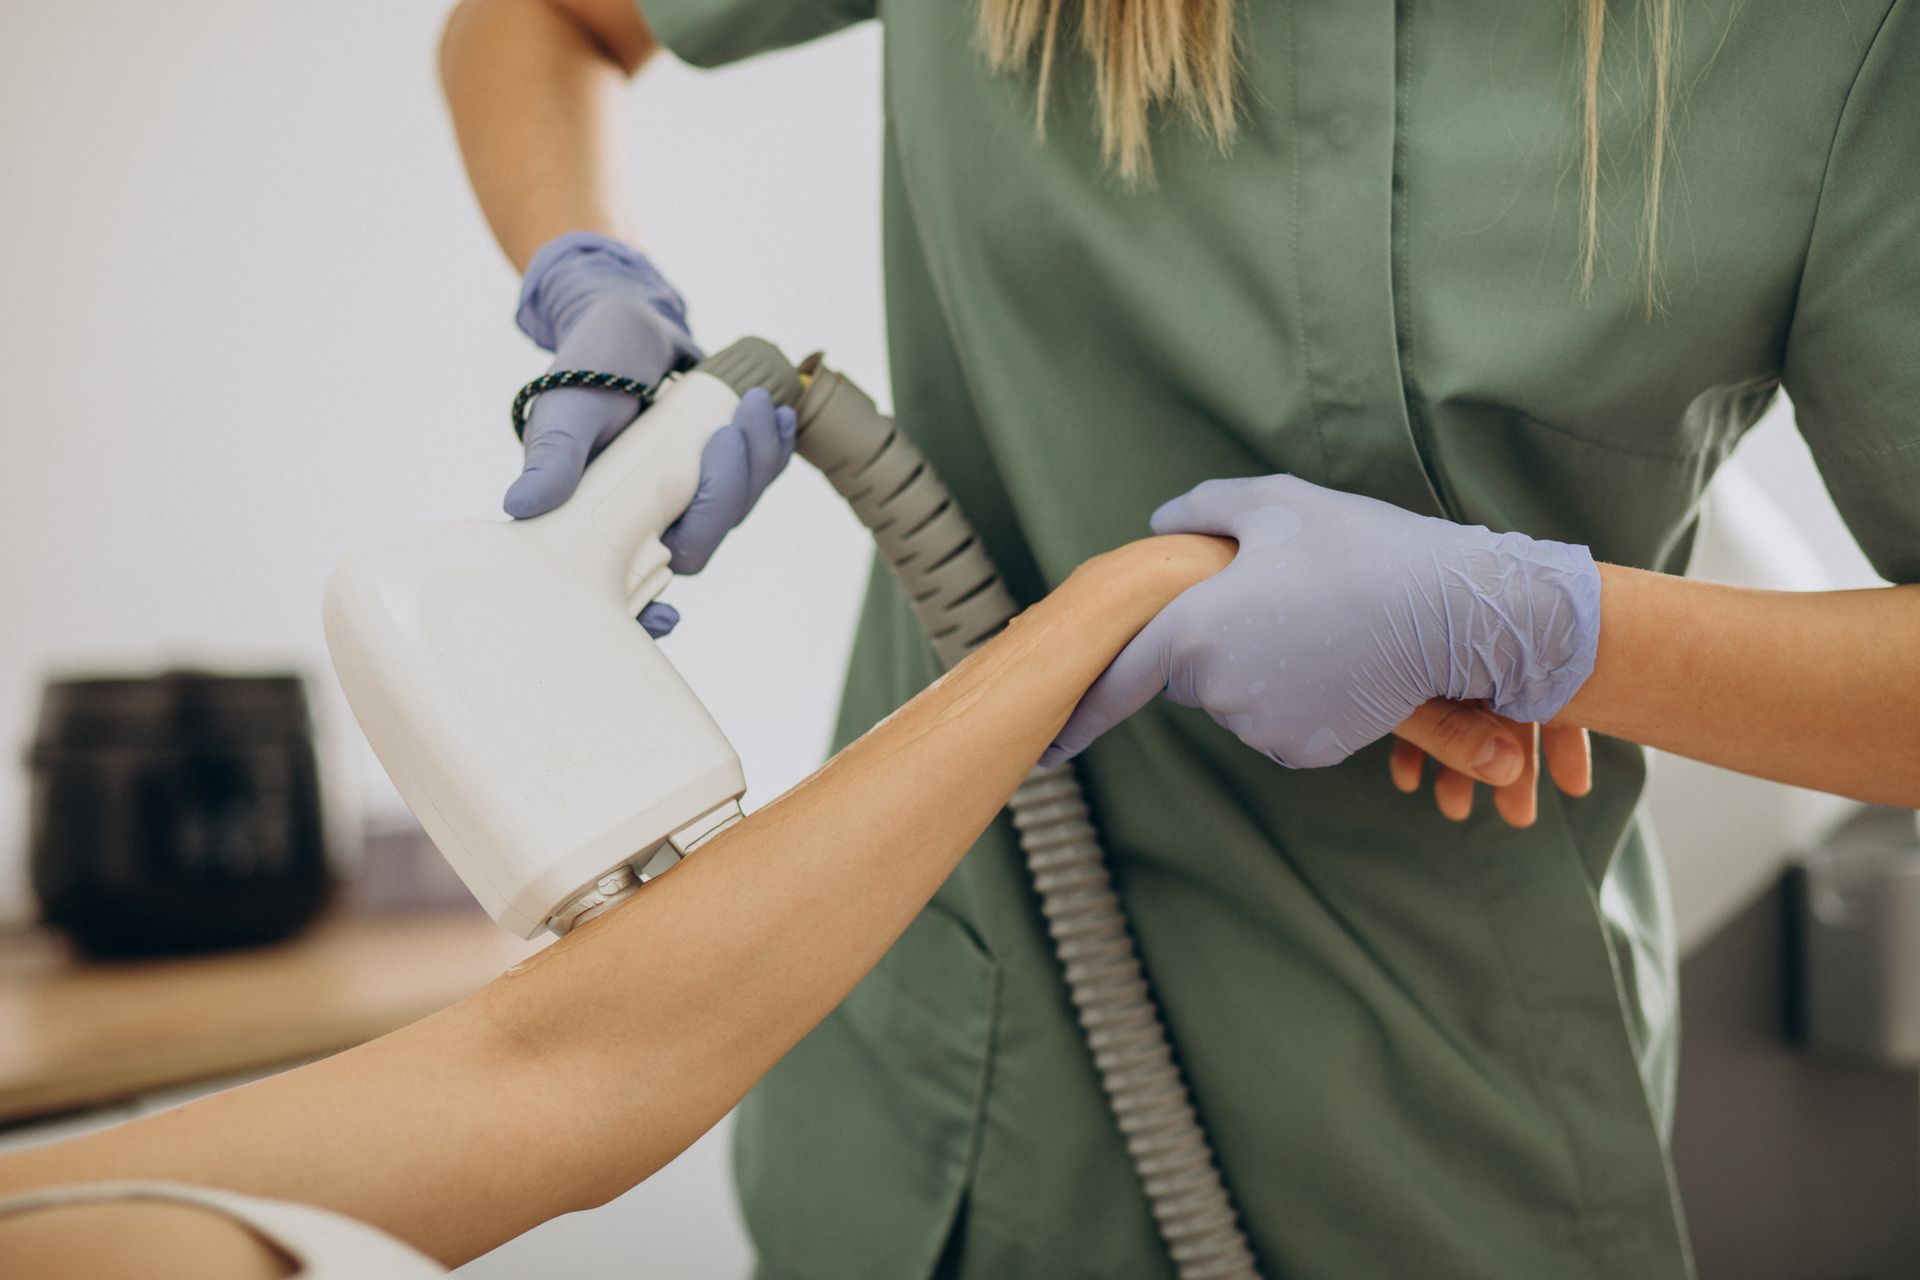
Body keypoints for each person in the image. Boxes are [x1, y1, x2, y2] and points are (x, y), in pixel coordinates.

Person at [433, 0, 1920, 1276]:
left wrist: (1542, 628)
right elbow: (542, 20)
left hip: (1439, 1127)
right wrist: (589, 285)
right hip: (936, 1100)